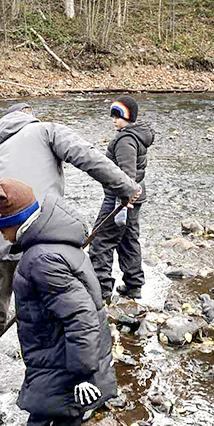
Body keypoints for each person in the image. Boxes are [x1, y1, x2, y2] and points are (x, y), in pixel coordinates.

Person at [0, 103, 137, 405]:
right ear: (28, 116)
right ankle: (64, 389)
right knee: (61, 307)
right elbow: (87, 157)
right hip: (38, 232)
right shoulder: (45, 130)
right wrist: (127, 188)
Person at [0, 178, 116, 426]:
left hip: (66, 375)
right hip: (61, 364)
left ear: (15, 221)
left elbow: (81, 316)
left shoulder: (41, 259)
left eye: (0, 226)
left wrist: (83, 374)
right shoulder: (51, 244)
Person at [89, 96, 155, 300]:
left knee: (101, 241)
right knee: (128, 240)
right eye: (113, 116)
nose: (114, 120)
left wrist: (123, 202)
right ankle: (134, 285)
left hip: (121, 199)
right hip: (135, 197)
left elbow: (127, 175)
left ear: (128, 117)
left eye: (117, 116)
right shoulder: (136, 136)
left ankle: (101, 290)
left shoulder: (125, 140)